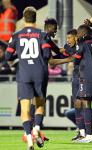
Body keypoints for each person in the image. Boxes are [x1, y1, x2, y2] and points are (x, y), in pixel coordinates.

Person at [5, 6, 52, 150]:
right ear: (35, 17)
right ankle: (36, 128)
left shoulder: (16, 35)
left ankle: (29, 139)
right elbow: (47, 54)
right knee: (39, 105)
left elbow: (7, 56)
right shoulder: (42, 34)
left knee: (24, 109)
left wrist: (19, 54)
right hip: (39, 72)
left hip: (24, 73)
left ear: (24, 18)